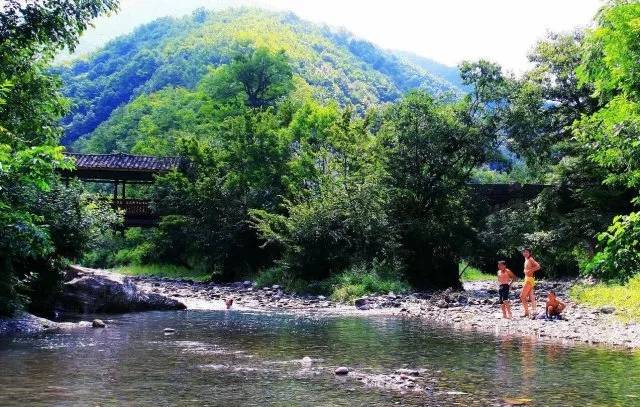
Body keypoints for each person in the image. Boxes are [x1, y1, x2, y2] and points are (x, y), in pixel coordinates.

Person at [520, 248, 540, 319]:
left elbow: (538, 266)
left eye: (526, 252)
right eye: (524, 252)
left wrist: (530, 270)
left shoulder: (530, 259)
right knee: (531, 296)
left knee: (522, 296)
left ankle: (526, 312)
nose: (525, 253)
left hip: (529, 279)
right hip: (527, 279)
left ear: (529, 253)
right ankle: (534, 311)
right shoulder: (526, 259)